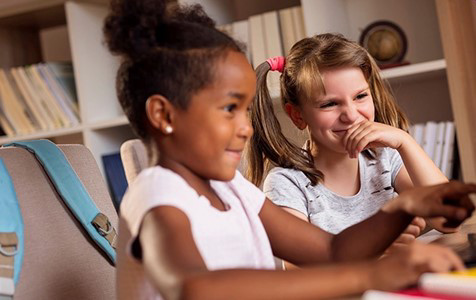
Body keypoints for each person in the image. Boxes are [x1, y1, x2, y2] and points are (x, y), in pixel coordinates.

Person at [104, 1, 476, 299]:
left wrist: (403, 207)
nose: (246, 127)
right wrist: (371, 272)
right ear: (163, 114)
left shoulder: (232, 190)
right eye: (229, 109)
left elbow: (332, 253)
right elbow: (193, 288)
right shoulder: (157, 193)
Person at [247, 34, 454, 259]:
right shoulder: (286, 183)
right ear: (297, 115)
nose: (351, 116)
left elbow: (449, 219)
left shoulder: (385, 159)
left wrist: (405, 141)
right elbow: (299, 269)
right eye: (329, 104)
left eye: (360, 96)